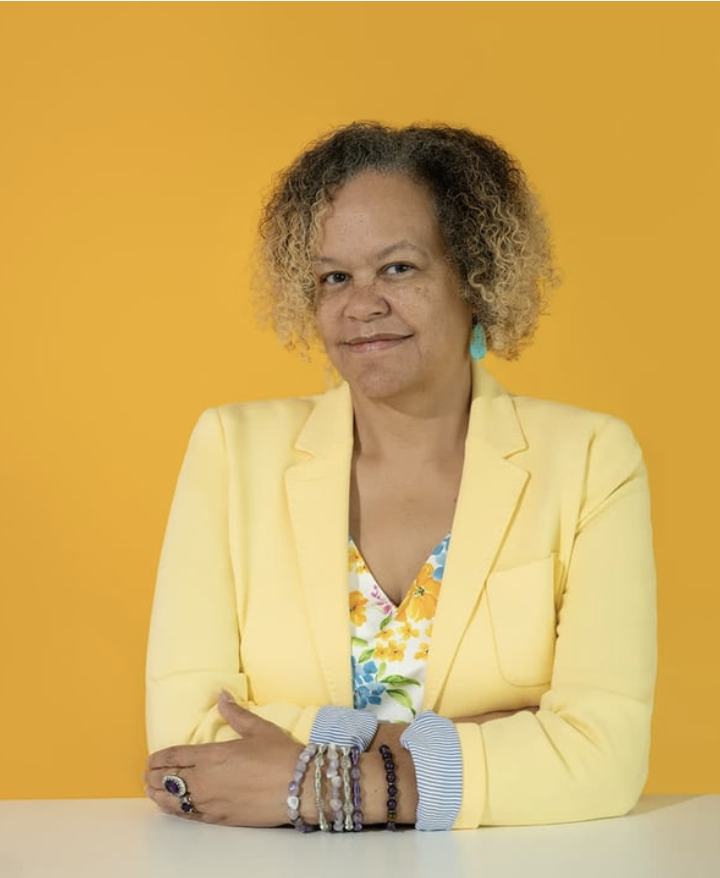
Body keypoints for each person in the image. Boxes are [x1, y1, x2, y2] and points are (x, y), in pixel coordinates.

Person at [144, 122, 657, 831]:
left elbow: (603, 755)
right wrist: (484, 741)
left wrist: (324, 783)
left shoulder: (593, 459)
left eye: (398, 268)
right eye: (334, 278)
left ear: (475, 277)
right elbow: (186, 748)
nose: (362, 305)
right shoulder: (231, 451)